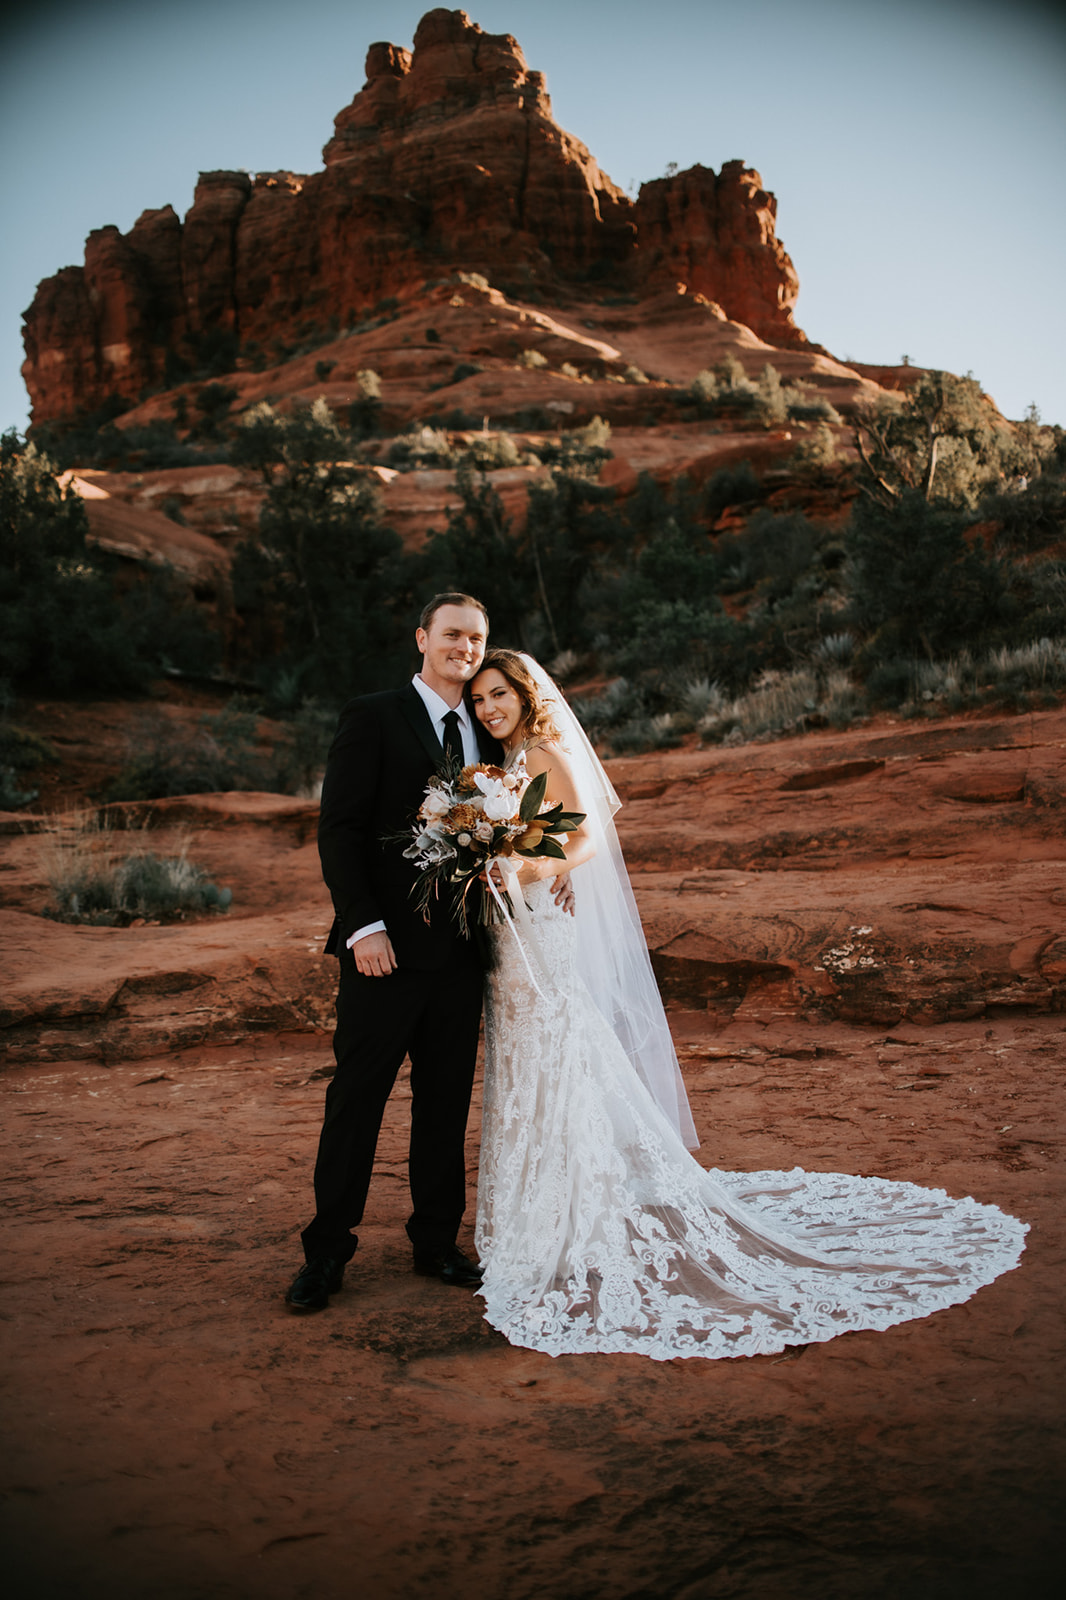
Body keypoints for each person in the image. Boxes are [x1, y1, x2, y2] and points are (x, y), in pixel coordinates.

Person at [466, 649, 1028, 1360]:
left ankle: (574, 1213)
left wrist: (527, 865)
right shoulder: (500, 762)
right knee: (525, 1058)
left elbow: (586, 836)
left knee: (560, 1046)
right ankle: (534, 1212)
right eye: (480, 699)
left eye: (499, 695)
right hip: (511, 934)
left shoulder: (545, 751)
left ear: (524, 695)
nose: (488, 708)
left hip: (541, 921)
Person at [286, 595, 572, 1312]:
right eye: (452, 635)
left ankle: (436, 1243)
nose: (465, 648)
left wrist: (553, 867)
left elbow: (528, 826)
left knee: (444, 1108)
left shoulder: (488, 729)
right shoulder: (372, 714)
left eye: (476, 639)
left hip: (464, 956)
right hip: (382, 954)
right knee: (357, 1102)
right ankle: (326, 1253)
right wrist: (362, 928)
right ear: (422, 638)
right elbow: (340, 829)